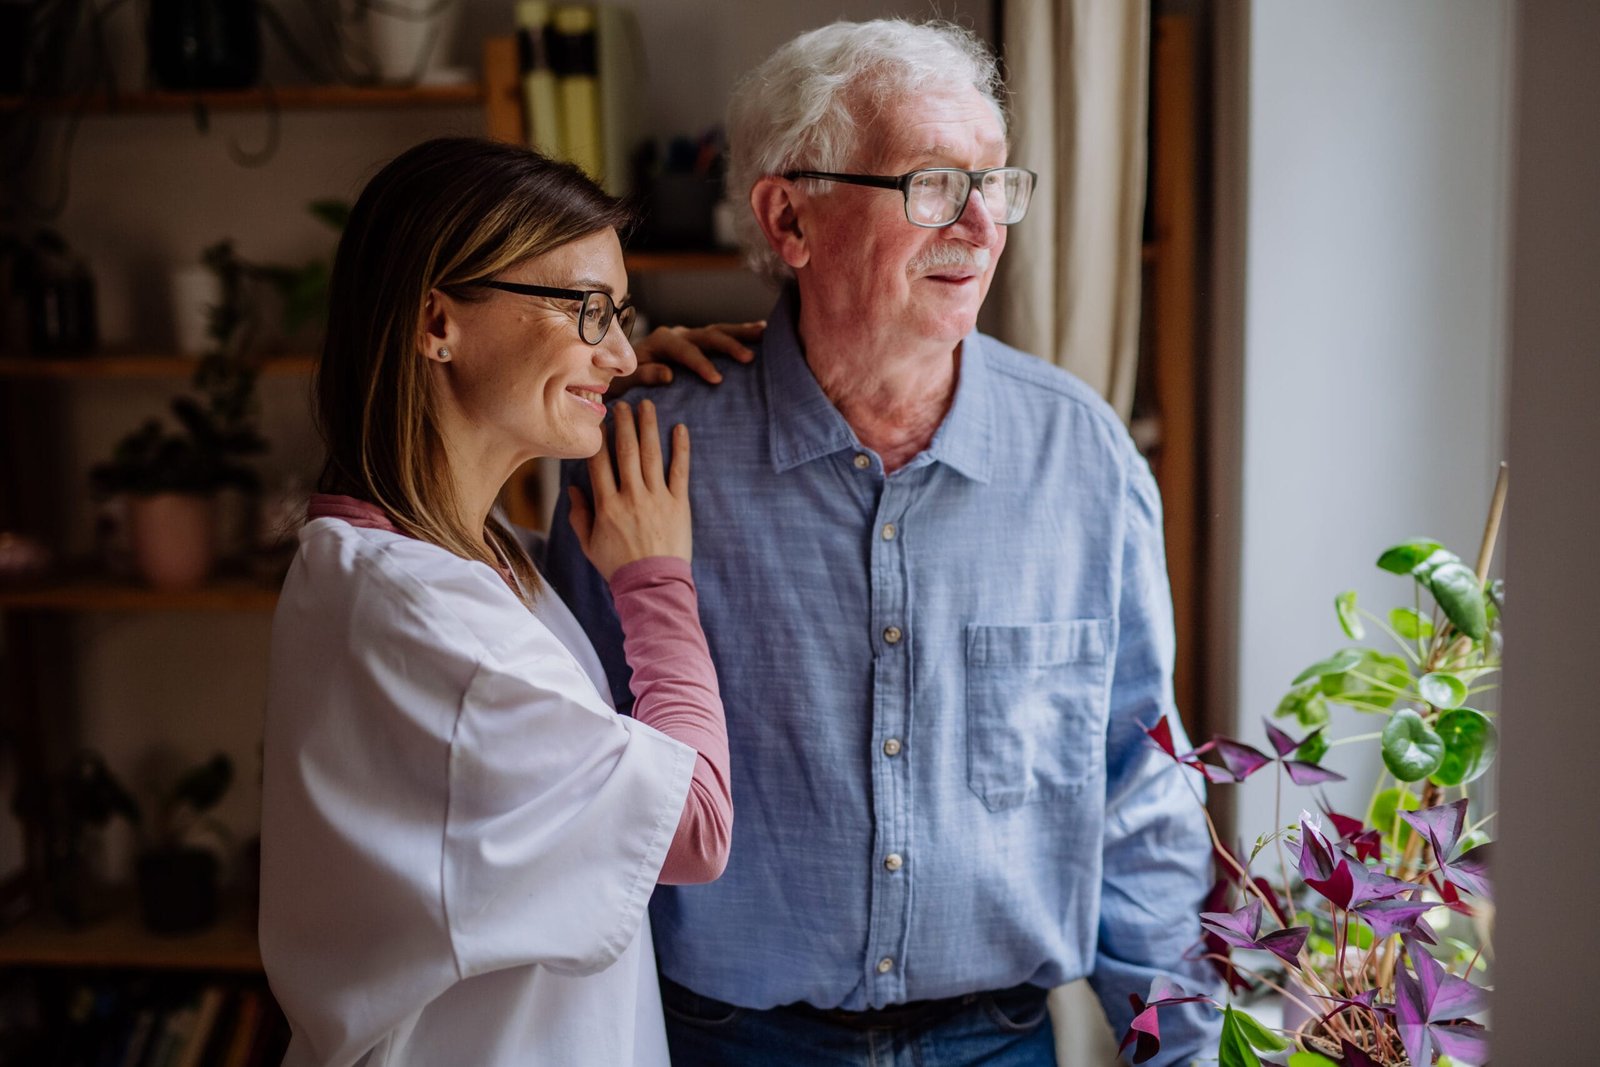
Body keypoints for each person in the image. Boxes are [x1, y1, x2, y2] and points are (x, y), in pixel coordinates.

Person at [545, 19, 1219, 1067]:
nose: (979, 224)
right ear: (789, 215)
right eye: (931, 184)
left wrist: (1178, 1045)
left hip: (999, 1041)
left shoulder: (1083, 457)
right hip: (724, 1041)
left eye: (994, 183)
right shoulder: (646, 450)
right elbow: (574, 776)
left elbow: (1139, 780)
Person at [259, 136, 745, 1067]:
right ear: (437, 319)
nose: (618, 351)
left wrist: (608, 373)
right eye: (589, 310)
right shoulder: (422, 614)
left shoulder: (432, 559)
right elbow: (697, 827)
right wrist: (657, 581)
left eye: (624, 316)